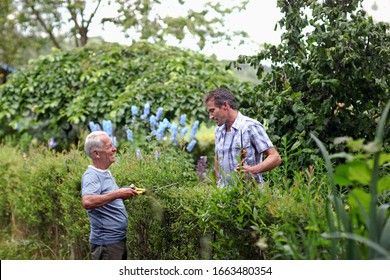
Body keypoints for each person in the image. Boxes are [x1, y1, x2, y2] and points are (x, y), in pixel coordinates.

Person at [204, 87, 282, 187]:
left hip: (249, 196)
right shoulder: (218, 130)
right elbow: (218, 157)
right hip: (224, 196)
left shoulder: (250, 126)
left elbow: (275, 157)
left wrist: (253, 170)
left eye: (212, 110)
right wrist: (218, 182)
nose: (211, 116)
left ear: (225, 105)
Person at [81, 131, 139, 260]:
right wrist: (118, 193)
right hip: (106, 244)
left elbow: (108, 197)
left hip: (115, 241)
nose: (114, 149)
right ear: (96, 153)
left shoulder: (104, 172)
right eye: (109, 147)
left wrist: (123, 192)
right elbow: (88, 201)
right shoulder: (92, 175)